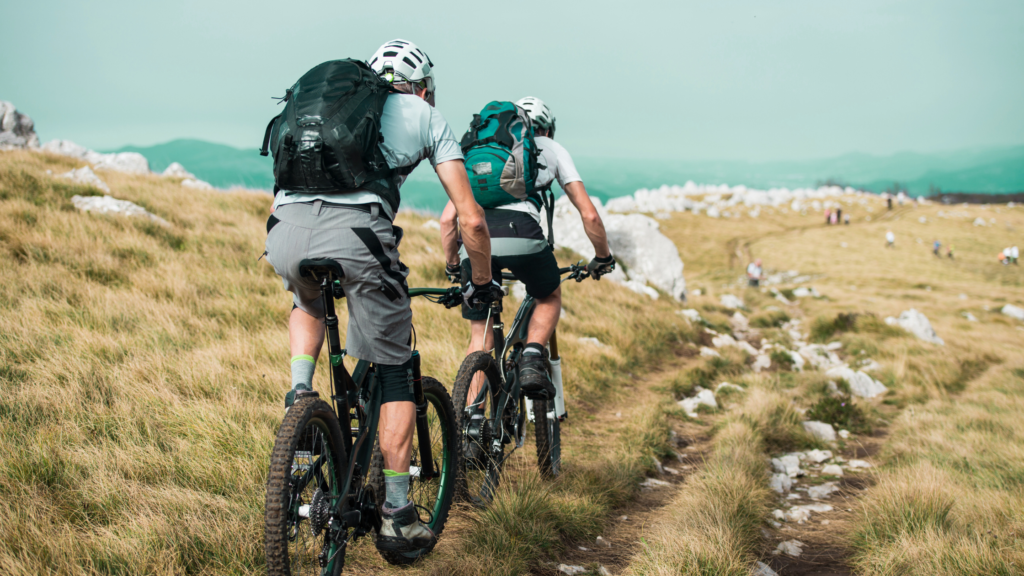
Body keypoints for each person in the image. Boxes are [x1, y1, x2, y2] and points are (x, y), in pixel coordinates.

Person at [263, 39, 499, 555]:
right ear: (422, 86)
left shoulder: (324, 107)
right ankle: (396, 516)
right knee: (395, 371)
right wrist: (479, 283)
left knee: (307, 302)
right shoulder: (422, 114)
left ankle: (300, 395)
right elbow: (471, 218)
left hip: (283, 233)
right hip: (357, 238)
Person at [441, 96, 615, 404]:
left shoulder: (483, 151)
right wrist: (603, 257)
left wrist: (454, 264)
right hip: (523, 235)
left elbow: (447, 220)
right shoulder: (551, 149)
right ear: (546, 130)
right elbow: (589, 214)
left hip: (474, 242)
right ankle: (534, 356)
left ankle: (471, 421)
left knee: (479, 336)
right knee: (548, 294)